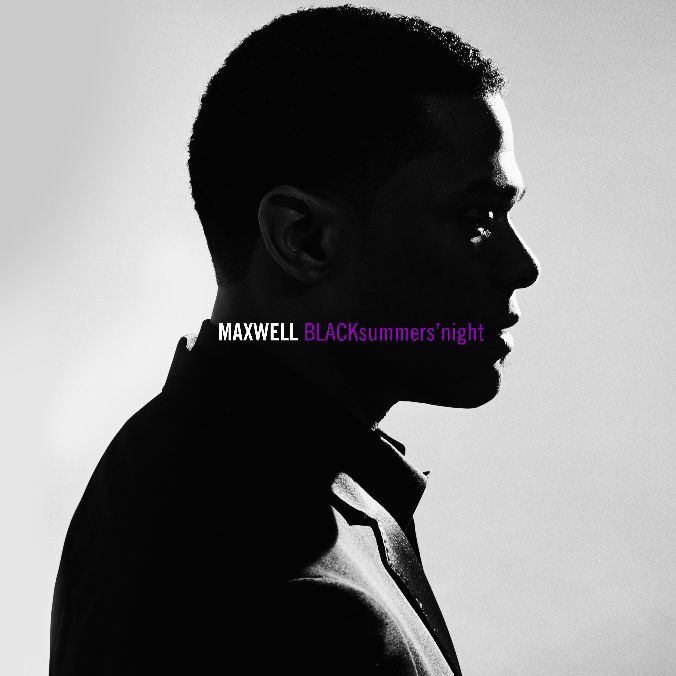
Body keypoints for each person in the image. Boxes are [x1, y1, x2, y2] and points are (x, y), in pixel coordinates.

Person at [50, 5, 539, 675]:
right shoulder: (271, 583)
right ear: (305, 239)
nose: (522, 266)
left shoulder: (194, 474)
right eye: (477, 217)